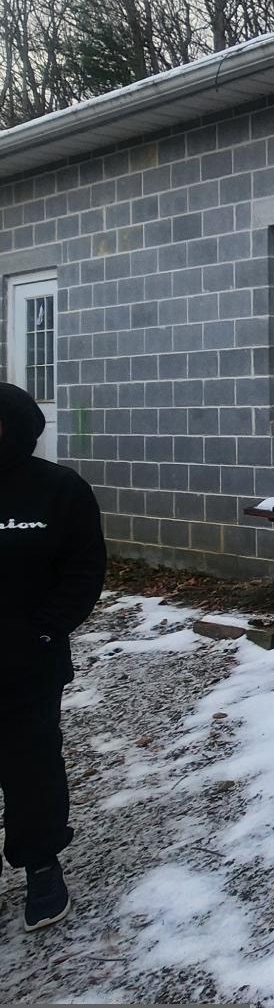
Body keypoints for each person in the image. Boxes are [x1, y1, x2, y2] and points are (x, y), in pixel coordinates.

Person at [0, 382, 105, 932]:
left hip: (27, 667)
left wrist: (45, 631)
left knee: (32, 769)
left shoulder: (58, 490)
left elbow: (85, 570)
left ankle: (40, 864)